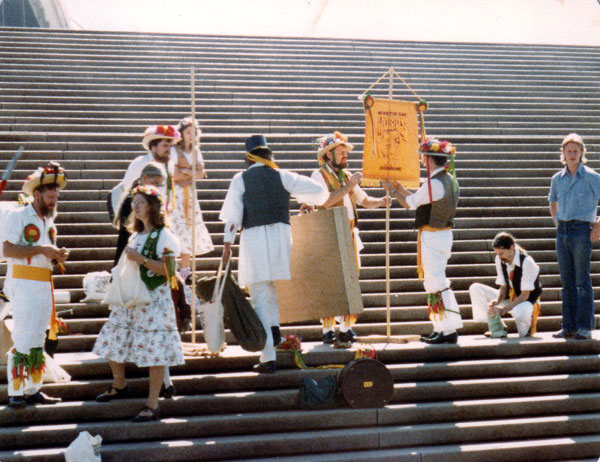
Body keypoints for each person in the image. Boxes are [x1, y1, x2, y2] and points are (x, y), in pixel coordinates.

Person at [220, 135, 329, 373]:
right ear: (268, 155)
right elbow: (320, 193)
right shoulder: (282, 175)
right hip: (281, 238)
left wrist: (227, 243)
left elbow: (232, 217)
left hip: (255, 240)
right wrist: (302, 200)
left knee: (260, 294)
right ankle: (274, 330)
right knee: (269, 291)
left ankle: (267, 356)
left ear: (248, 158)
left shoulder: (241, 178)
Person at [93, 185, 184, 422]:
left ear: (153, 207)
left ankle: (152, 403)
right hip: (132, 299)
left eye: (140, 202)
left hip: (153, 301)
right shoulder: (135, 235)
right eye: (134, 203)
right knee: (113, 338)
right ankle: (119, 384)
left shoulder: (165, 236)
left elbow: (170, 271)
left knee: (155, 350)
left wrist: (142, 260)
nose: (135, 207)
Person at [309, 130, 390, 344]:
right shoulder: (319, 175)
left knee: (352, 280)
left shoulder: (347, 176)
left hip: (350, 231)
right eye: (341, 152)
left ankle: (345, 327)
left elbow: (364, 201)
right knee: (331, 282)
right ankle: (327, 329)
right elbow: (325, 202)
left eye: (346, 153)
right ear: (328, 155)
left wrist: (381, 201)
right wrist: (349, 186)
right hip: (329, 232)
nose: (345, 156)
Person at [3, 162, 69, 407]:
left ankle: (33, 388)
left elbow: (44, 252)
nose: (54, 200)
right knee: (22, 337)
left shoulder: (50, 223)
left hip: (43, 283)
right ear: (37, 194)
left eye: (56, 196)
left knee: (38, 339)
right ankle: (16, 391)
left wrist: (57, 255)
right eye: (50, 196)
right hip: (22, 283)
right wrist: (42, 249)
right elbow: (7, 249)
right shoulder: (18, 215)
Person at [385, 138, 462, 344]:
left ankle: (446, 329)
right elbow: (420, 199)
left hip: (433, 236)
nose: (421, 161)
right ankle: (442, 327)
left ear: (429, 159)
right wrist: (400, 189)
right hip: (441, 234)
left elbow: (411, 204)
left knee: (435, 281)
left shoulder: (434, 183)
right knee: (436, 280)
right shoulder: (449, 180)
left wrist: (392, 191)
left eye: (423, 158)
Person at [549, 133, 600, 340]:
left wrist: (597, 228)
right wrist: (557, 221)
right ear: (563, 153)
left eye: (575, 151)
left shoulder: (592, 177)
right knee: (566, 282)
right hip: (563, 230)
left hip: (581, 230)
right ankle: (567, 326)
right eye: (568, 151)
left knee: (582, 280)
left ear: (581, 154)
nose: (571, 155)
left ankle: (584, 326)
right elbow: (552, 202)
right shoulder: (556, 179)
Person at [469, 232, 542, 338]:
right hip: (511, 298)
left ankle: (526, 331)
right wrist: (497, 301)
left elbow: (524, 295)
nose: (499, 256)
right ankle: (497, 327)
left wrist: (504, 309)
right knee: (475, 288)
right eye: (497, 253)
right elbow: (503, 286)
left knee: (521, 312)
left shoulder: (527, 262)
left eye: (501, 253)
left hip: (527, 301)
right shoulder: (499, 259)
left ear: (512, 247)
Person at [170, 116, 214, 279]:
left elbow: (202, 173)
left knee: (189, 231)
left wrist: (186, 172)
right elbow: (173, 174)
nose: (190, 135)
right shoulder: (175, 150)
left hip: (190, 196)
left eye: (193, 132)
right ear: (181, 133)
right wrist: (191, 172)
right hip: (176, 195)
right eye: (188, 132)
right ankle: (171, 270)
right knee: (176, 229)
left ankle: (185, 272)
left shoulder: (195, 151)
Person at [117, 125, 181, 215]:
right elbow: (126, 189)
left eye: (170, 146)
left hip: (161, 213)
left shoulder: (170, 165)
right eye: (165, 146)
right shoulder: (139, 163)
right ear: (153, 146)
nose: (169, 150)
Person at [112, 162, 166, 266]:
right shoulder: (133, 200)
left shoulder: (146, 198)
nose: (157, 188)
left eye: (160, 185)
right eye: (155, 183)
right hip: (131, 251)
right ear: (145, 178)